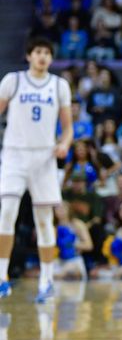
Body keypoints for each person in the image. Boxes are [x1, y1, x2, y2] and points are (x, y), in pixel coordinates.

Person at [0, 37, 73, 302]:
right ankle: (2, 276)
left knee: (44, 220)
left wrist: (64, 144)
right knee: (7, 212)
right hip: (14, 155)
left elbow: (67, 128)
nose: (42, 56)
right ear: (29, 56)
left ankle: (46, 279)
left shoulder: (59, 85)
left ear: (51, 58)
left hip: (44, 156)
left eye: (47, 52)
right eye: (38, 52)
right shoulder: (13, 80)